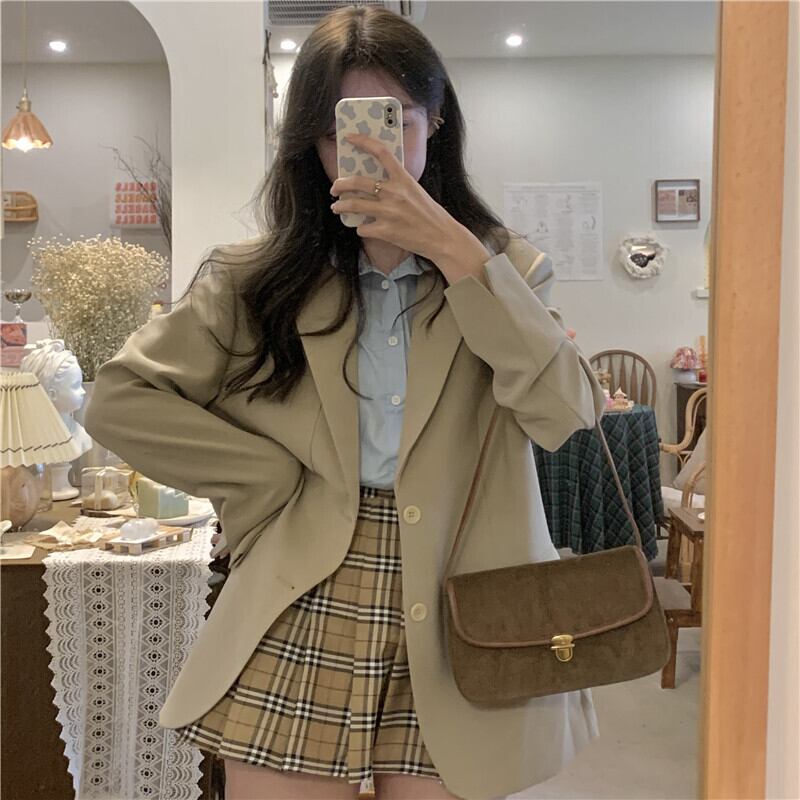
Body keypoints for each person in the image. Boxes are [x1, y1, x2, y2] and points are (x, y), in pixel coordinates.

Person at [84, 6, 606, 800]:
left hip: (467, 595)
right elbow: (121, 399)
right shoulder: (254, 280)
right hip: (303, 582)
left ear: (436, 121)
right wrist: (263, 477)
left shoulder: (508, 272)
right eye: (340, 132)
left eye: (395, 122)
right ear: (310, 144)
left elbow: (566, 414)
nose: (368, 151)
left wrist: (456, 253)